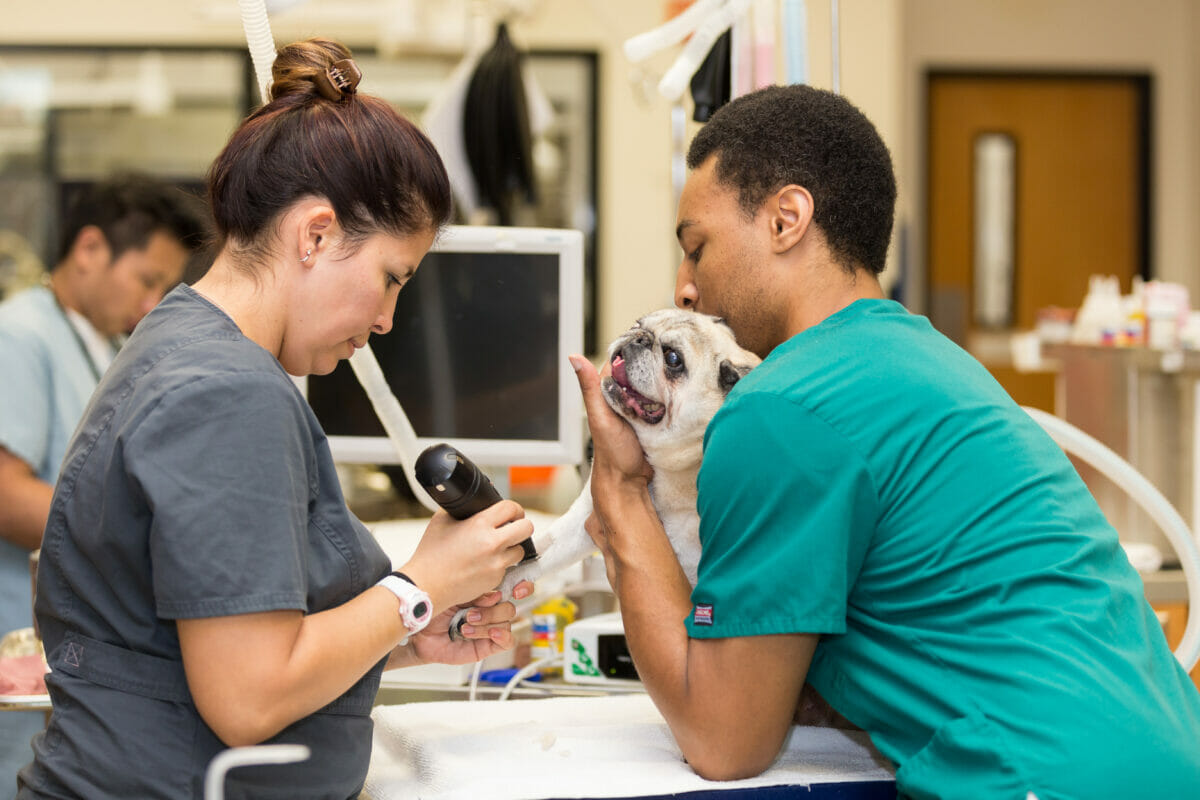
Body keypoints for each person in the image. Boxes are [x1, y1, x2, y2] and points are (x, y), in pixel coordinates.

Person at [571, 84, 1200, 798]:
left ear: (786, 219)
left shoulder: (780, 408)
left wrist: (620, 491)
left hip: (1039, 779)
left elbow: (723, 741)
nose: (685, 287)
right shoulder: (929, 360)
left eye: (698, 248)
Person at [17, 38, 534, 800]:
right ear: (316, 234)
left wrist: (405, 635)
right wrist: (421, 583)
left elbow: (208, 642)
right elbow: (248, 696)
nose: (389, 320)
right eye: (391, 279)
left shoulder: (185, 341)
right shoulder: (228, 393)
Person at [0, 174, 205, 791]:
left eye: (164, 289)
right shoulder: (21, 335)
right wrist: (143, 536)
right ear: (89, 249)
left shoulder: (106, 343)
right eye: (147, 280)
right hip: (18, 645)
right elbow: (5, 492)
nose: (152, 304)